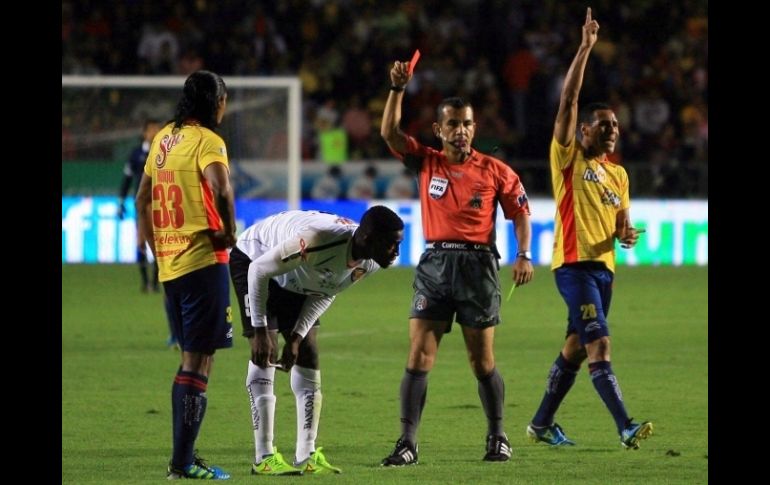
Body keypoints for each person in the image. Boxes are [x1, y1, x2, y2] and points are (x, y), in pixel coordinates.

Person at [379, 58, 534, 466]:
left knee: (482, 362)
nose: (461, 130)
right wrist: (397, 89)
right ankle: (407, 443)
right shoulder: (426, 161)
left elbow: (520, 212)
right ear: (439, 129)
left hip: (478, 267)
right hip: (434, 266)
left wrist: (523, 253)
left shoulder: (496, 171)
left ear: (473, 127)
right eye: (453, 124)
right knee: (418, 356)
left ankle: (498, 436)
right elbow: (390, 133)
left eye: (466, 123)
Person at [525, 8, 653, 451]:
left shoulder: (617, 175)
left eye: (616, 125)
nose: (613, 130)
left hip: (605, 271)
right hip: (574, 268)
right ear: (583, 130)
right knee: (599, 345)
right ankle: (625, 426)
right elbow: (568, 101)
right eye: (605, 124)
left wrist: (627, 234)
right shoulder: (568, 158)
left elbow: (623, 225)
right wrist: (585, 48)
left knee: (576, 349)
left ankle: (541, 423)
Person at [229, 206, 404, 475]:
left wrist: (297, 336)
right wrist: (260, 330)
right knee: (267, 349)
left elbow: (328, 290)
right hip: (257, 260)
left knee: (308, 351)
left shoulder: (370, 261)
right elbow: (258, 271)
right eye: (392, 243)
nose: (396, 252)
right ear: (369, 238)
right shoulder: (318, 241)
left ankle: (306, 454)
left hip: (299, 277)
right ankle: (263, 457)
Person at [135, 70, 236, 480]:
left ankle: (185, 454)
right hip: (203, 259)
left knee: (190, 359)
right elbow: (222, 189)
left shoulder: (162, 139)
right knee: (199, 362)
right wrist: (229, 232)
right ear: (215, 104)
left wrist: (153, 247)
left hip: (171, 264)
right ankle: (182, 462)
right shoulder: (208, 142)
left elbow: (143, 197)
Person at [118, 119, 179, 349]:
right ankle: (148, 283)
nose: (155, 132)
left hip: (166, 209)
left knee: (165, 258)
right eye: (152, 129)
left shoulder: (168, 152)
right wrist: (121, 202)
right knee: (143, 244)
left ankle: (155, 282)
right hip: (144, 207)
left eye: (158, 129)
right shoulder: (137, 155)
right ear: (144, 132)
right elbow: (127, 180)